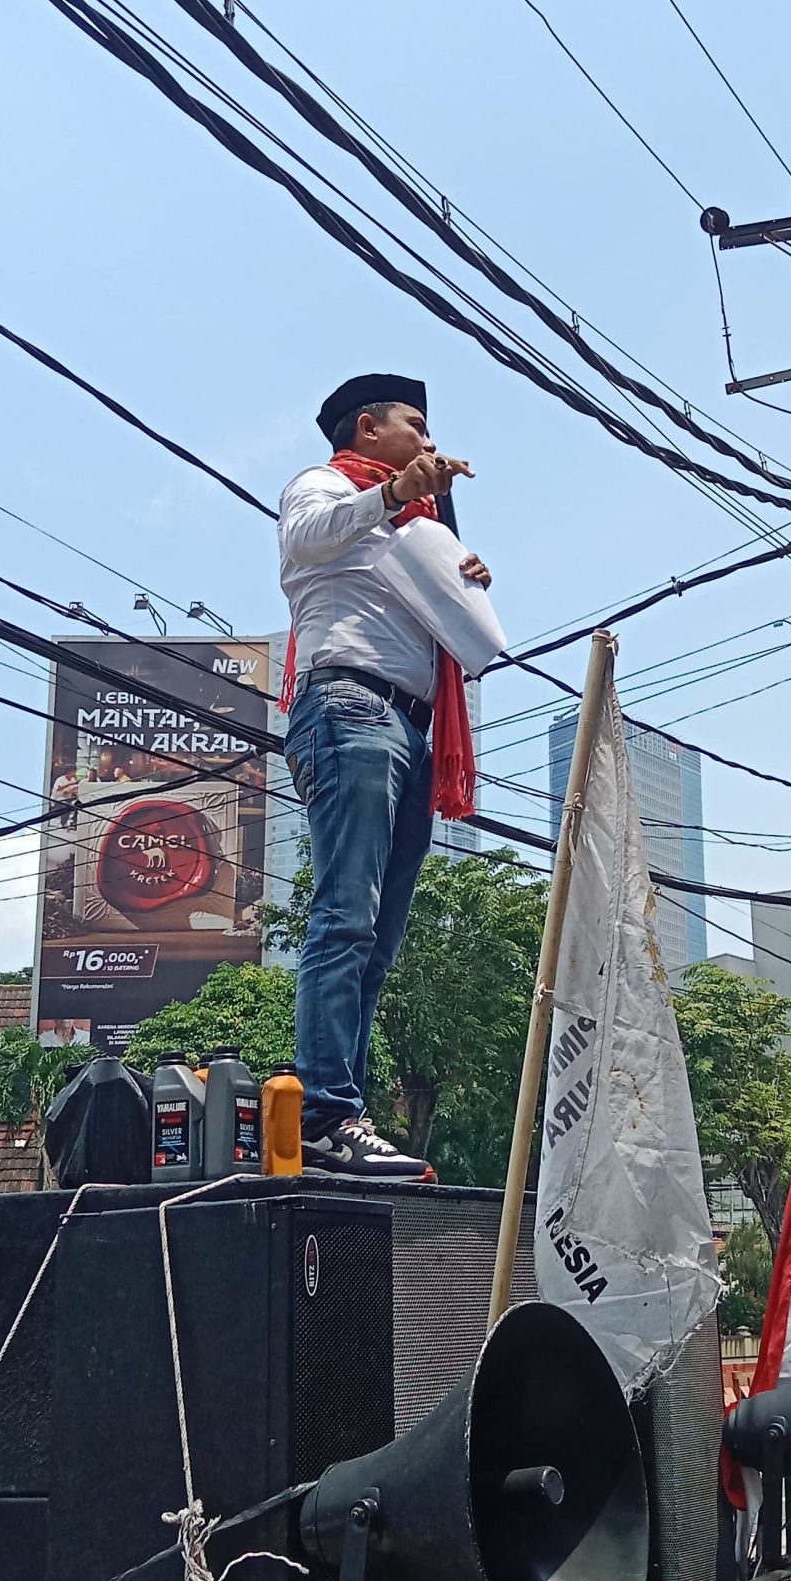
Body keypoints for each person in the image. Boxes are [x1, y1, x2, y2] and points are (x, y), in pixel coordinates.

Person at [279, 376, 491, 1179]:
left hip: (408, 723)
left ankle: (344, 1116)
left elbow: (444, 620)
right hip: (350, 705)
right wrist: (395, 497)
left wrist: (462, 581)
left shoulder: (416, 521)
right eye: (417, 426)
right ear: (368, 429)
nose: (430, 444)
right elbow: (307, 539)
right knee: (345, 919)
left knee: (376, 939)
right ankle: (326, 1114)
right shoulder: (326, 484)